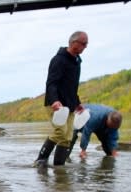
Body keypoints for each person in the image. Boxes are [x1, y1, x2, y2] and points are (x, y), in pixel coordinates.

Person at [34, 31, 88, 167]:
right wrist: (54, 101)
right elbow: (51, 83)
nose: (85, 47)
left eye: (86, 44)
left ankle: (59, 167)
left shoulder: (77, 62)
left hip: (69, 105)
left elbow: (72, 86)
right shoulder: (58, 59)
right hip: (56, 104)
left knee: (68, 137)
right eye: (83, 43)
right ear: (73, 43)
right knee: (60, 132)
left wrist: (77, 103)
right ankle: (40, 160)